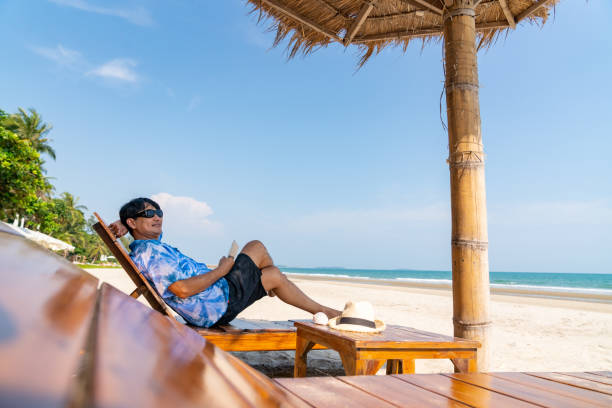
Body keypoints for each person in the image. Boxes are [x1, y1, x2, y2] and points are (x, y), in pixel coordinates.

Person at [108, 197, 339, 328]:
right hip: (217, 303)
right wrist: (221, 270)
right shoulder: (151, 253)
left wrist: (123, 225)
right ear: (134, 222)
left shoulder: (149, 247)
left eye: (158, 212)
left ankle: (320, 309)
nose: (157, 217)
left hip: (215, 300)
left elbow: (148, 235)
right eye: (149, 214)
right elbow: (180, 289)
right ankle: (278, 290)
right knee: (256, 246)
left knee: (273, 274)